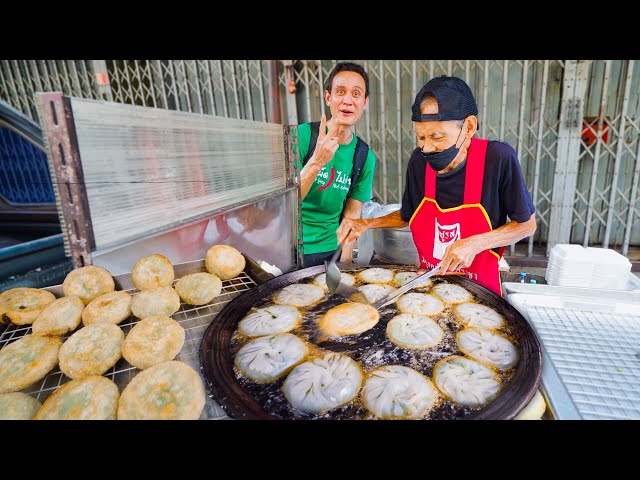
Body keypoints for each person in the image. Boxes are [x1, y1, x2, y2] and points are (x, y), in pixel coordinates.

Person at [337, 75, 536, 296]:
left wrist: (475, 243)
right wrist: (366, 224)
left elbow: (526, 225)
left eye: (437, 137)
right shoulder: (419, 161)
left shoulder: (498, 159)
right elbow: (408, 215)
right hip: (430, 288)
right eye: (421, 138)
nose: (428, 148)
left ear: (469, 127)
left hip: (482, 293)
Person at [298, 62, 376, 267]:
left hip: (331, 249)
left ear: (365, 102)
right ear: (328, 97)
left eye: (356, 94)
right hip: (291, 248)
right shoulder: (303, 136)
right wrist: (316, 162)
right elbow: (286, 203)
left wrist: (347, 257)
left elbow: (352, 211)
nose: (348, 100)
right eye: (340, 92)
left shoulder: (364, 156)